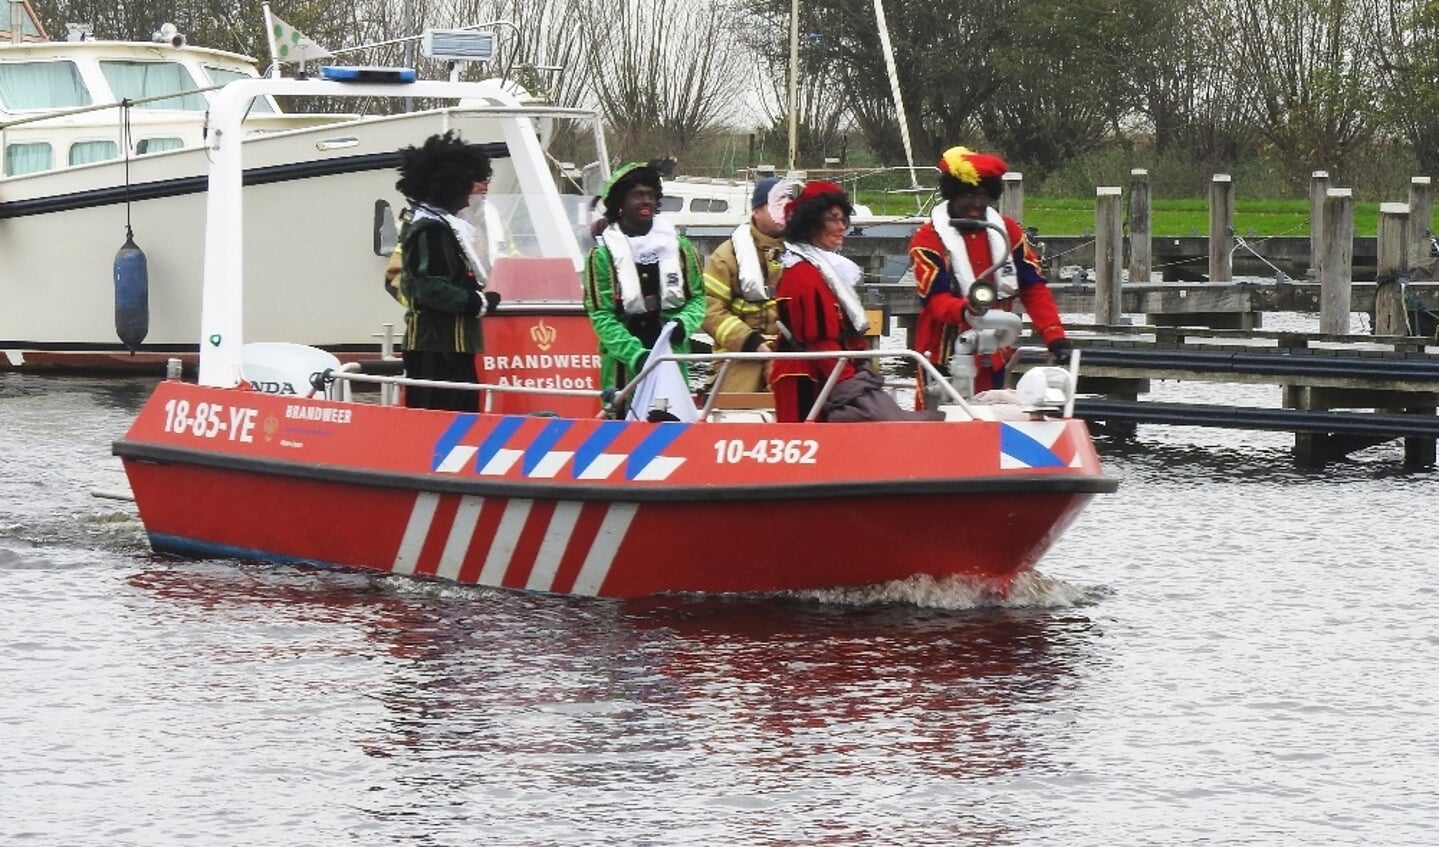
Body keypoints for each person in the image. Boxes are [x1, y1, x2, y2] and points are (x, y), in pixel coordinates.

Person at [908, 145, 1071, 406]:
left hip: (994, 352)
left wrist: (1055, 336)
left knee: (990, 422)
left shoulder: (1008, 232)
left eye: (983, 196)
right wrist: (967, 308)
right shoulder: (927, 239)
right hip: (943, 353)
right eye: (968, 195)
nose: (976, 204)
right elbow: (934, 299)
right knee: (937, 427)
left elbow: (1033, 287)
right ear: (951, 194)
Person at [770, 181, 943, 423]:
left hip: (826, 375)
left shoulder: (818, 269)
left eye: (843, 220)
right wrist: (849, 383)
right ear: (811, 223)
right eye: (834, 219)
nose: (842, 227)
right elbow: (819, 340)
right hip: (807, 380)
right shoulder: (803, 275)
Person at [582, 162, 705, 414]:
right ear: (620, 202)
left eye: (650, 195)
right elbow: (601, 316)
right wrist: (635, 355)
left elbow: (698, 298)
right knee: (621, 437)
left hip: (670, 355)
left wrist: (682, 324)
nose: (646, 201)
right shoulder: (602, 256)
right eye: (638, 195)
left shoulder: (679, 248)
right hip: (624, 366)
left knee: (673, 427)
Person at [393, 131, 498, 412]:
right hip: (435, 345)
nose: (469, 195)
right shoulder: (430, 229)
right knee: (439, 415)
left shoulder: (444, 226)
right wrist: (477, 301)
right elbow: (429, 286)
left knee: (463, 413)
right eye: (466, 186)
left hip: (453, 344)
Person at [700, 176, 795, 394]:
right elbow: (709, 309)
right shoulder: (726, 256)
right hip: (740, 356)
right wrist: (749, 341)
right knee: (736, 408)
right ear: (756, 211)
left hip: (792, 354)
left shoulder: (802, 253)